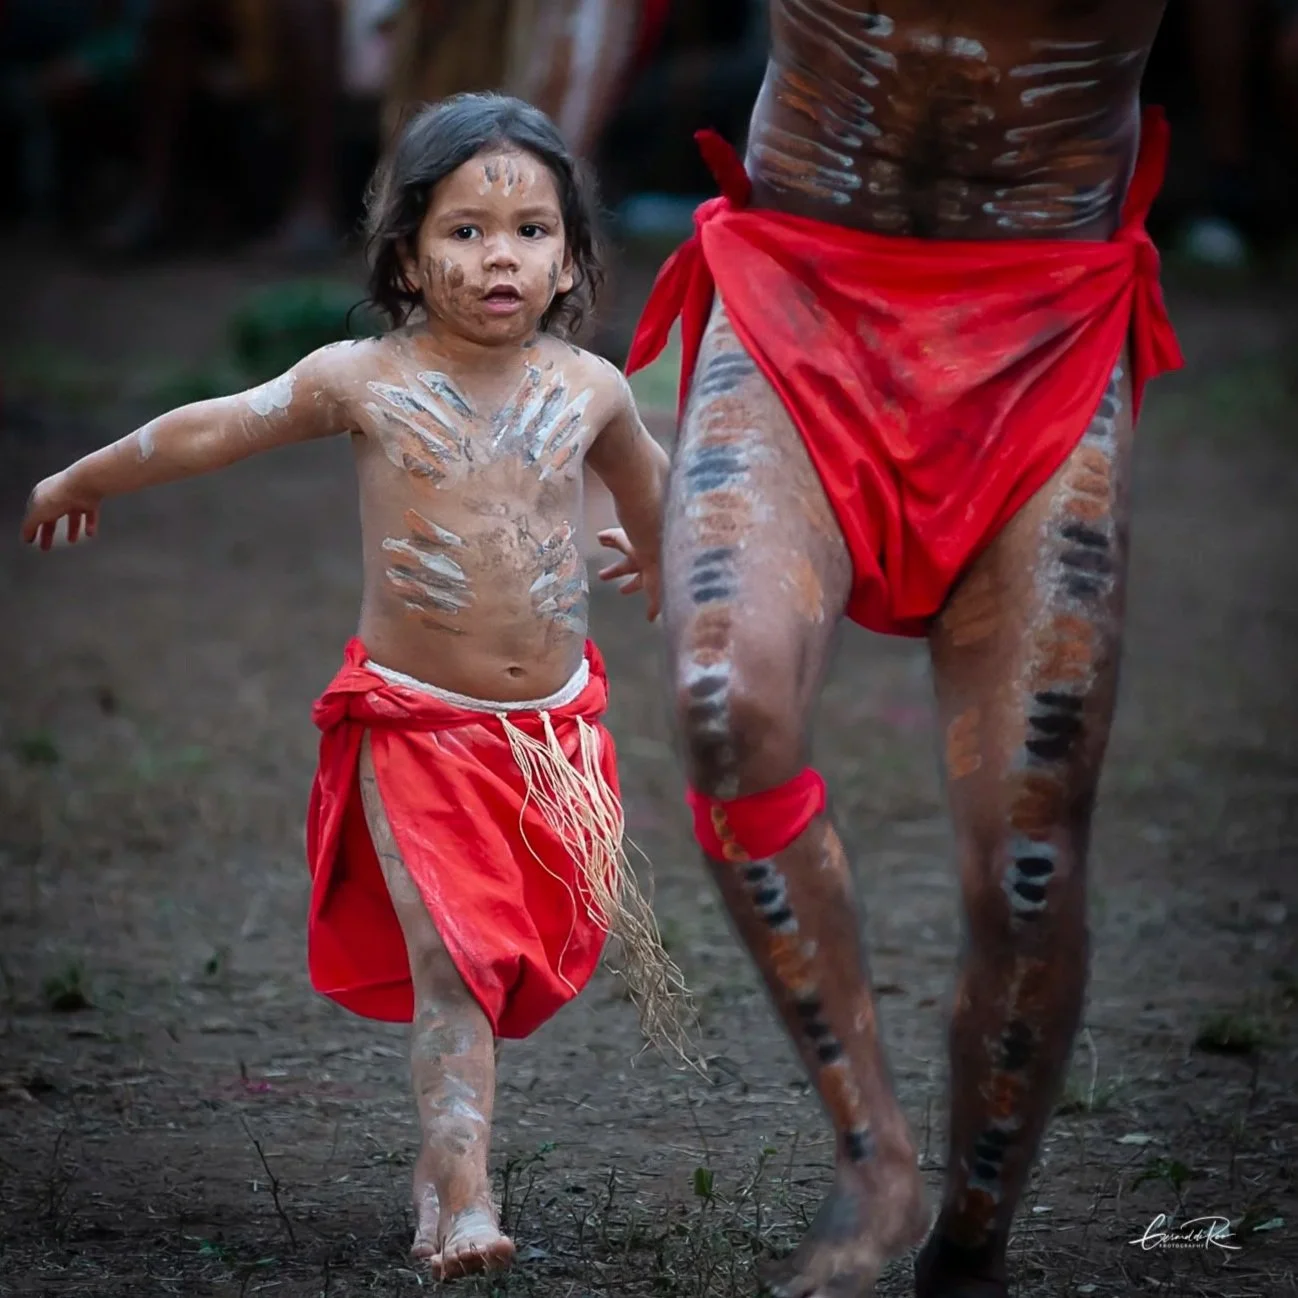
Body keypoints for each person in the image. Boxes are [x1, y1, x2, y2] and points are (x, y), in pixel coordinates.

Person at [21, 92, 691, 1280]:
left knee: (516, 954)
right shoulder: (363, 378)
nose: (500, 255)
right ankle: (471, 1197)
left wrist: (652, 546)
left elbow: (642, 477)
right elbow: (215, 427)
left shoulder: (587, 385)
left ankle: (439, 1181)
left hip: (547, 737)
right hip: (413, 727)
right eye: (465, 231)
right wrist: (82, 475)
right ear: (405, 256)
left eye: (531, 231)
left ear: (573, 258)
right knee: (454, 963)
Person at [627, 4, 1183, 1296]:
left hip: (1042, 326)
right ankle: (872, 1159)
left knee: (1025, 863)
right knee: (723, 703)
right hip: (797, 293)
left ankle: (973, 1241)